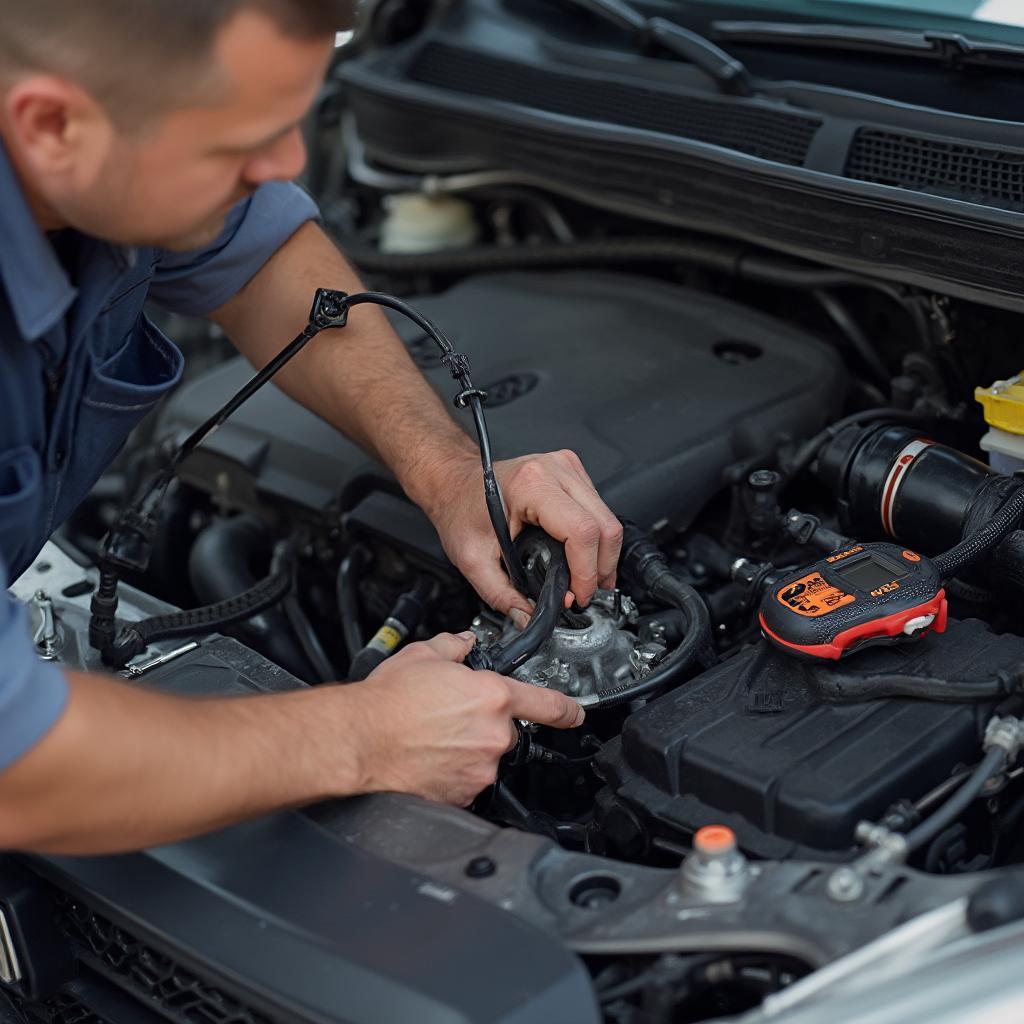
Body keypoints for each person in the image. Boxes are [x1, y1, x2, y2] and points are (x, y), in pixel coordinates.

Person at [0, 1, 623, 855]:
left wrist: (445, 471)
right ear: (50, 125)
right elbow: (20, 771)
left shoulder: (104, 159)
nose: (289, 164)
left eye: (292, 121)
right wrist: (362, 738)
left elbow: (263, 260)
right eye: (236, 145)